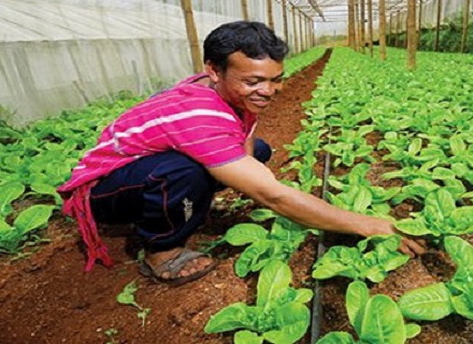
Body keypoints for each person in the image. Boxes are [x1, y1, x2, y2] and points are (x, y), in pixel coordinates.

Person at [58, 21, 425, 286]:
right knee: (182, 172)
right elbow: (272, 195)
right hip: (101, 191)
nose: (268, 91)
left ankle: (187, 202)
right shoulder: (200, 113)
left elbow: (246, 143)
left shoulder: (226, 92)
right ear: (213, 70)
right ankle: (162, 252)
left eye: (275, 78)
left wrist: (249, 176)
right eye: (253, 81)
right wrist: (370, 224)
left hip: (138, 173)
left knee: (256, 153)